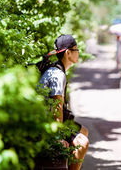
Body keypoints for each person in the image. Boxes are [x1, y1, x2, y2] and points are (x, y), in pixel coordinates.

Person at [38, 34, 89, 170]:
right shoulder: (57, 75)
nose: (78, 53)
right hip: (45, 122)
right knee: (82, 143)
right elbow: (57, 107)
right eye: (76, 49)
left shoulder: (56, 70)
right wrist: (57, 136)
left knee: (83, 131)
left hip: (46, 118)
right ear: (68, 53)